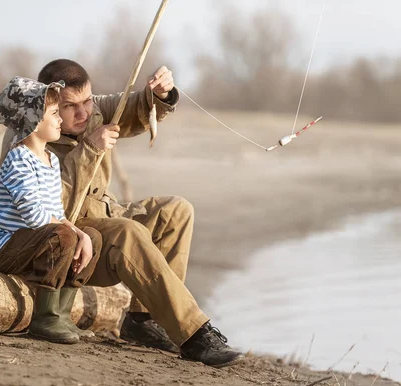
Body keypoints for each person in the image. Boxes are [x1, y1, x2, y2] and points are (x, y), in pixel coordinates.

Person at [27, 59, 243, 367]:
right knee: (129, 233)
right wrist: (88, 149)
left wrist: (159, 93)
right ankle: (193, 334)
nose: (84, 113)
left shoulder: (94, 110)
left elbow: (133, 106)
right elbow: (50, 206)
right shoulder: (31, 135)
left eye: (87, 100)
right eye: (70, 106)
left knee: (175, 210)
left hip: (106, 214)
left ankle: (142, 321)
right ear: (49, 103)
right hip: (72, 241)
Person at [0, 76, 102, 344]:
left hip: (30, 242)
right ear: (33, 121)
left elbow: (56, 211)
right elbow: (36, 217)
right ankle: (44, 317)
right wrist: (73, 232)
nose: (60, 120)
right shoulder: (19, 159)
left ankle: (62, 314)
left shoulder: (51, 160)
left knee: (92, 237)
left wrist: (83, 235)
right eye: (55, 113)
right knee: (63, 236)